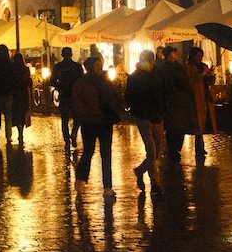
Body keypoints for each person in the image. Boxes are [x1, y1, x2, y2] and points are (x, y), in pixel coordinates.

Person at [71, 54, 124, 197]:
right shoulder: (82, 83)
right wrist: (86, 114)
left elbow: (115, 96)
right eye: (96, 66)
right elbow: (77, 102)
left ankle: (107, 186)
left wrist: (118, 108)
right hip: (90, 123)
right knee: (89, 151)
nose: (100, 68)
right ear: (89, 68)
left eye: (100, 66)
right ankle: (80, 178)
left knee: (106, 153)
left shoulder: (105, 81)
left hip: (105, 121)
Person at [124, 49, 164, 196]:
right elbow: (129, 96)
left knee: (157, 151)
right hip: (143, 116)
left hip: (157, 115)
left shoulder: (158, 75)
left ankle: (140, 170)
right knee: (151, 150)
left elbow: (163, 92)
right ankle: (155, 182)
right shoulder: (135, 77)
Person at [160, 45, 197, 161]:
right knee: (172, 128)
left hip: (179, 102)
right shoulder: (164, 68)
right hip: (171, 102)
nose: (176, 54)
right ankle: (173, 149)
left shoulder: (178, 67)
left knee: (179, 128)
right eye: (174, 52)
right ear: (170, 54)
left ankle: (175, 149)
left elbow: (185, 83)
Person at [186, 45, 217, 161]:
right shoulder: (189, 67)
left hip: (205, 98)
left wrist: (211, 76)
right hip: (195, 99)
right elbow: (191, 82)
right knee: (197, 123)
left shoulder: (204, 66)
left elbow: (210, 82)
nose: (200, 58)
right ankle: (199, 147)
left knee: (204, 122)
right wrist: (202, 74)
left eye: (201, 56)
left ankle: (201, 146)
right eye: (198, 55)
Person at [50, 46, 83, 147]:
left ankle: (66, 140)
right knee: (77, 117)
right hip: (75, 95)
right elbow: (82, 80)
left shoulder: (58, 67)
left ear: (62, 55)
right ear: (71, 54)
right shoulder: (77, 66)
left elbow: (52, 81)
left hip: (64, 94)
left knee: (64, 119)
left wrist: (59, 87)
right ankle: (73, 134)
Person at [10, 53, 33, 145]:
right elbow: (28, 81)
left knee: (16, 112)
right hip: (23, 93)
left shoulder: (11, 69)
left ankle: (19, 130)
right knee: (23, 111)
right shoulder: (25, 69)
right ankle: (21, 132)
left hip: (14, 93)